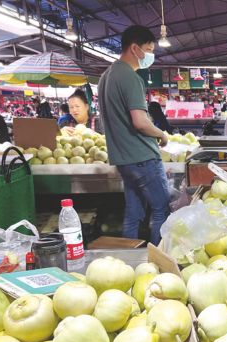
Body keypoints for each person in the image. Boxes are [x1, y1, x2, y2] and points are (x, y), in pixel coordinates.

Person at [98, 25, 171, 245]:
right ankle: (157, 260)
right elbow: (140, 122)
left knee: (134, 213)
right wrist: (162, 135)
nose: (150, 55)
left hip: (123, 159)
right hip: (142, 157)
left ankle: (129, 258)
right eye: (148, 49)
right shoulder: (130, 77)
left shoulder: (105, 77)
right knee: (161, 210)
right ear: (134, 48)